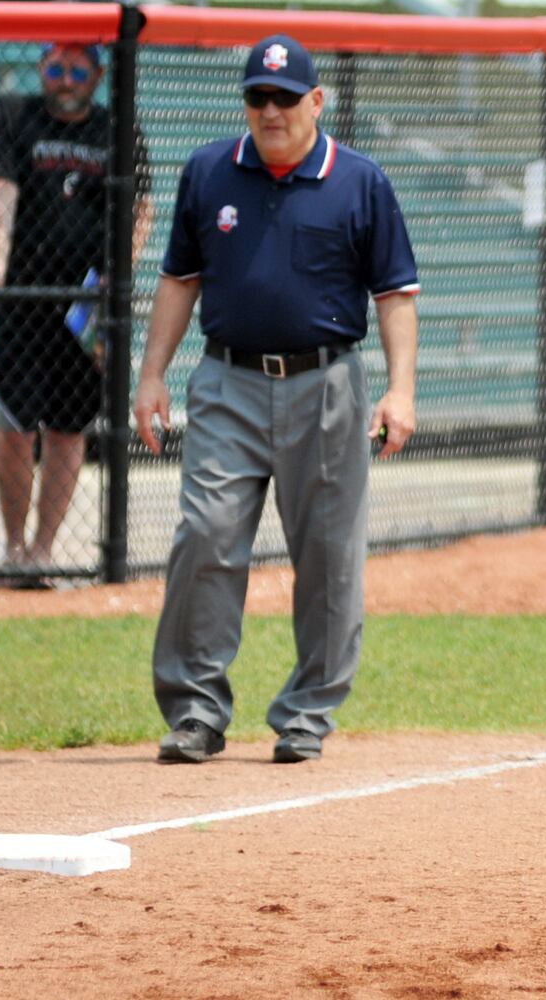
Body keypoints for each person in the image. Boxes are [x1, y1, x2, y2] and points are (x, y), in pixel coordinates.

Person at [133, 34, 419, 765]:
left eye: (285, 98)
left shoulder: (360, 181)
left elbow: (394, 295)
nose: (270, 111)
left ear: (315, 101)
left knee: (327, 557)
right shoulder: (207, 172)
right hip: (226, 381)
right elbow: (178, 280)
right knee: (204, 536)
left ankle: (306, 714)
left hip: (326, 386)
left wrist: (400, 388)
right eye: (257, 97)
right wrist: (151, 375)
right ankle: (195, 711)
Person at [0, 42, 153, 584]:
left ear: (97, 73)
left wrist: (120, 270)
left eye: (77, 69)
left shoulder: (117, 126)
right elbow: (0, 194)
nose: (65, 79)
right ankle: (13, 546)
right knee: (16, 426)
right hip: (24, 297)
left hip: (87, 308)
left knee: (70, 429)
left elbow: (140, 208)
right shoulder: (14, 114)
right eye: (55, 66)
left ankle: (42, 553)